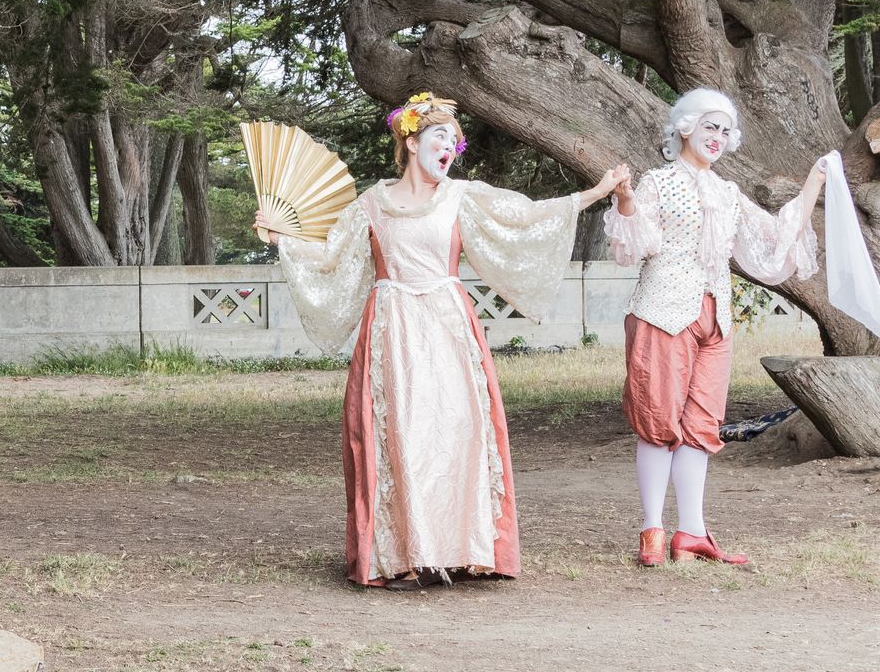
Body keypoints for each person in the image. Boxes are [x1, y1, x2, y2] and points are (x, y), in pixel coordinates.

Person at [256, 93, 629, 589]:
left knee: (457, 428)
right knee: (402, 433)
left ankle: (462, 549)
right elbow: (330, 255)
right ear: (412, 142)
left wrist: (595, 192)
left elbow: (524, 217)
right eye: (439, 136)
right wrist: (282, 239)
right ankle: (410, 554)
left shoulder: (460, 196)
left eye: (454, 141)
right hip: (393, 327)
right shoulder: (373, 203)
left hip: (448, 326)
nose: (449, 147)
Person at [603, 88, 825, 567]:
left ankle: (691, 532)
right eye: (710, 126)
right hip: (662, 313)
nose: (717, 137)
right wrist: (625, 202)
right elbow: (633, 245)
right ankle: (651, 531)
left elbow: (774, 237)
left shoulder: (727, 193)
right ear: (685, 128)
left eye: (725, 130)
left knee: (701, 426)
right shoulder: (658, 183)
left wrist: (814, 182)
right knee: (658, 421)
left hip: (715, 319)